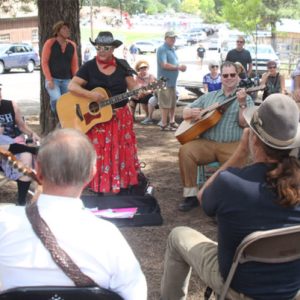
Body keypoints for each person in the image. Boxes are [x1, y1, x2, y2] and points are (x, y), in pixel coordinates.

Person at [161, 94, 300, 300]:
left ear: (254, 138)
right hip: (291, 287)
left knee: (177, 236)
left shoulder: (231, 183)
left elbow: (203, 196)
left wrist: (241, 152)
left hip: (238, 286)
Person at [0, 128, 147, 300]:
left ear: (37, 170)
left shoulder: (5, 223)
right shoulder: (108, 237)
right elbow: (135, 295)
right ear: (91, 174)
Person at [68, 31, 141, 194]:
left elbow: (133, 87)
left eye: (105, 48)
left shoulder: (122, 65)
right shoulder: (89, 66)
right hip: (97, 118)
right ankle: (96, 183)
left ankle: (119, 182)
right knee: (98, 150)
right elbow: (72, 86)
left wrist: (137, 91)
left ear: (113, 49)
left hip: (120, 116)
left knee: (120, 148)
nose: (101, 51)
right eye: (98, 47)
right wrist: (92, 95)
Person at [178, 61, 253, 212]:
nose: (229, 78)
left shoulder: (246, 98)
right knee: (185, 151)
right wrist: (188, 112)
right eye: (225, 75)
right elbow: (186, 110)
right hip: (207, 143)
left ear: (238, 77)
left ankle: (226, 203)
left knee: (237, 168)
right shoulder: (209, 97)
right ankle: (191, 196)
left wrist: (242, 103)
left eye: (233, 75)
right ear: (221, 77)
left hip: (232, 145)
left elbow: (244, 123)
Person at [0, 84, 40, 205]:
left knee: (26, 157)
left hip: (14, 146)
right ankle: (34, 150)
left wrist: (32, 133)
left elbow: (21, 126)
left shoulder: (10, 105)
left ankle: (21, 202)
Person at [41, 21, 79, 114]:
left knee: (67, 103)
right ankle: (57, 114)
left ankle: (63, 120)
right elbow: (44, 62)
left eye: (68, 29)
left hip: (67, 80)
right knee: (56, 98)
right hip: (53, 79)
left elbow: (74, 65)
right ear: (57, 31)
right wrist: (49, 79)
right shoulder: (49, 43)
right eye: (64, 29)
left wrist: (76, 80)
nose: (67, 31)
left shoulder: (72, 45)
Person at [157, 31, 186, 131]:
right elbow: (164, 65)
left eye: (174, 38)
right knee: (165, 103)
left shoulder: (172, 49)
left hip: (172, 82)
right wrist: (178, 67)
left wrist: (180, 67)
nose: (173, 39)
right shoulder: (162, 49)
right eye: (171, 38)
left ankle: (172, 122)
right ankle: (164, 123)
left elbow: (172, 63)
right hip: (164, 82)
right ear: (165, 38)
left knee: (172, 103)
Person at [129, 60, 157, 124]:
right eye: (142, 68)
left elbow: (152, 88)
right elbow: (134, 87)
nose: (144, 69)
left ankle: (148, 117)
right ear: (138, 69)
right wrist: (135, 95)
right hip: (139, 93)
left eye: (145, 67)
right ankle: (132, 117)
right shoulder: (137, 77)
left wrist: (145, 92)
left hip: (149, 93)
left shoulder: (150, 76)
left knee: (144, 100)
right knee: (132, 100)